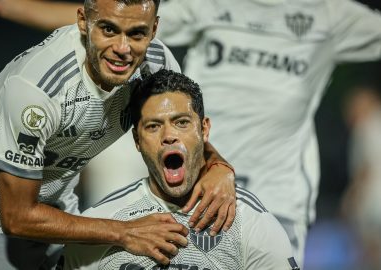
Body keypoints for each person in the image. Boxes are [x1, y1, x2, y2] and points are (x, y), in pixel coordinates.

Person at [0, 0, 237, 269]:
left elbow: (184, 135)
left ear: (154, 29)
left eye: (136, 34)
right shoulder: (38, 90)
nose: (122, 49)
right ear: (82, 20)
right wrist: (125, 231)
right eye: (108, 29)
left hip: (56, 212)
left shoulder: (156, 65)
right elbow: (17, 216)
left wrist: (219, 167)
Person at [153, 0, 381, 266]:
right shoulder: (209, 5)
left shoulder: (328, 15)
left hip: (277, 201)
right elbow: (132, 24)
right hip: (198, 193)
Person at [62, 69, 299, 270]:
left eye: (181, 123)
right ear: (137, 139)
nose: (169, 136)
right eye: (154, 126)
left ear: (204, 130)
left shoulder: (251, 223)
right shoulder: (100, 225)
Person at [340, 84, 381, 269]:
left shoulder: (366, 127)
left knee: (371, 255)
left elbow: (365, 168)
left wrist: (350, 199)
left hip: (373, 203)